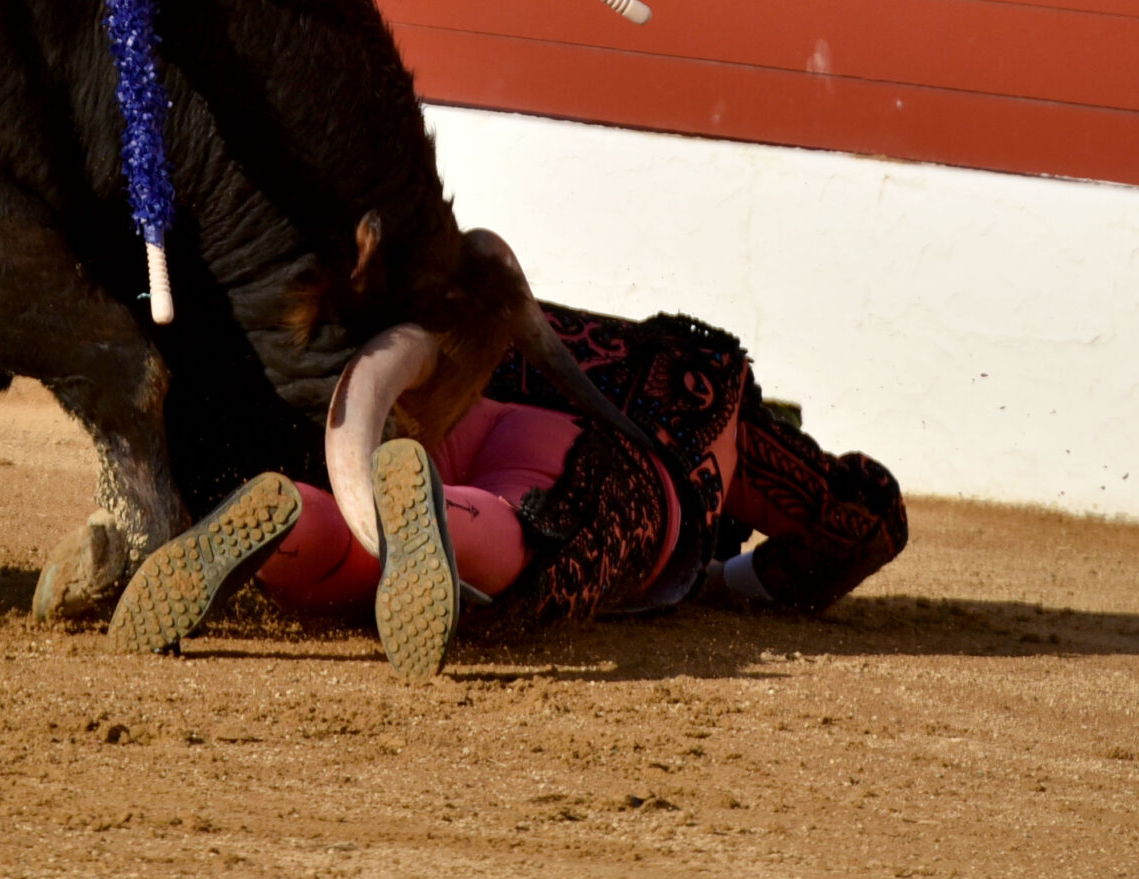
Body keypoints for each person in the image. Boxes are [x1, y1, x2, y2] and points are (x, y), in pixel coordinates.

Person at [108, 286, 909, 676]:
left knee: (362, 548)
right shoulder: (717, 394)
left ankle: (288, 519)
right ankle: (444, 524)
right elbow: (863, 517)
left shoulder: (546, 321)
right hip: (596, 455)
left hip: (456, 408)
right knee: (531, 526)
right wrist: (737, 578)